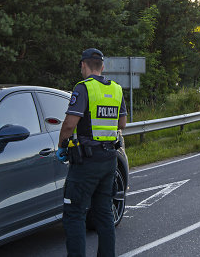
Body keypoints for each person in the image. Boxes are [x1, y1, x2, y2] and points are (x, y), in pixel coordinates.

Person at [56, 48, 127, 257]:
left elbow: (70, 124)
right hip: (109, 159)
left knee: (74, 214)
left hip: (86, 161)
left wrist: (61, 146)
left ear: (83, 65)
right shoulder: (116, 89)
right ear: (102, 67)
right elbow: (122, 123)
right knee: (104, 213)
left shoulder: (83, 88)